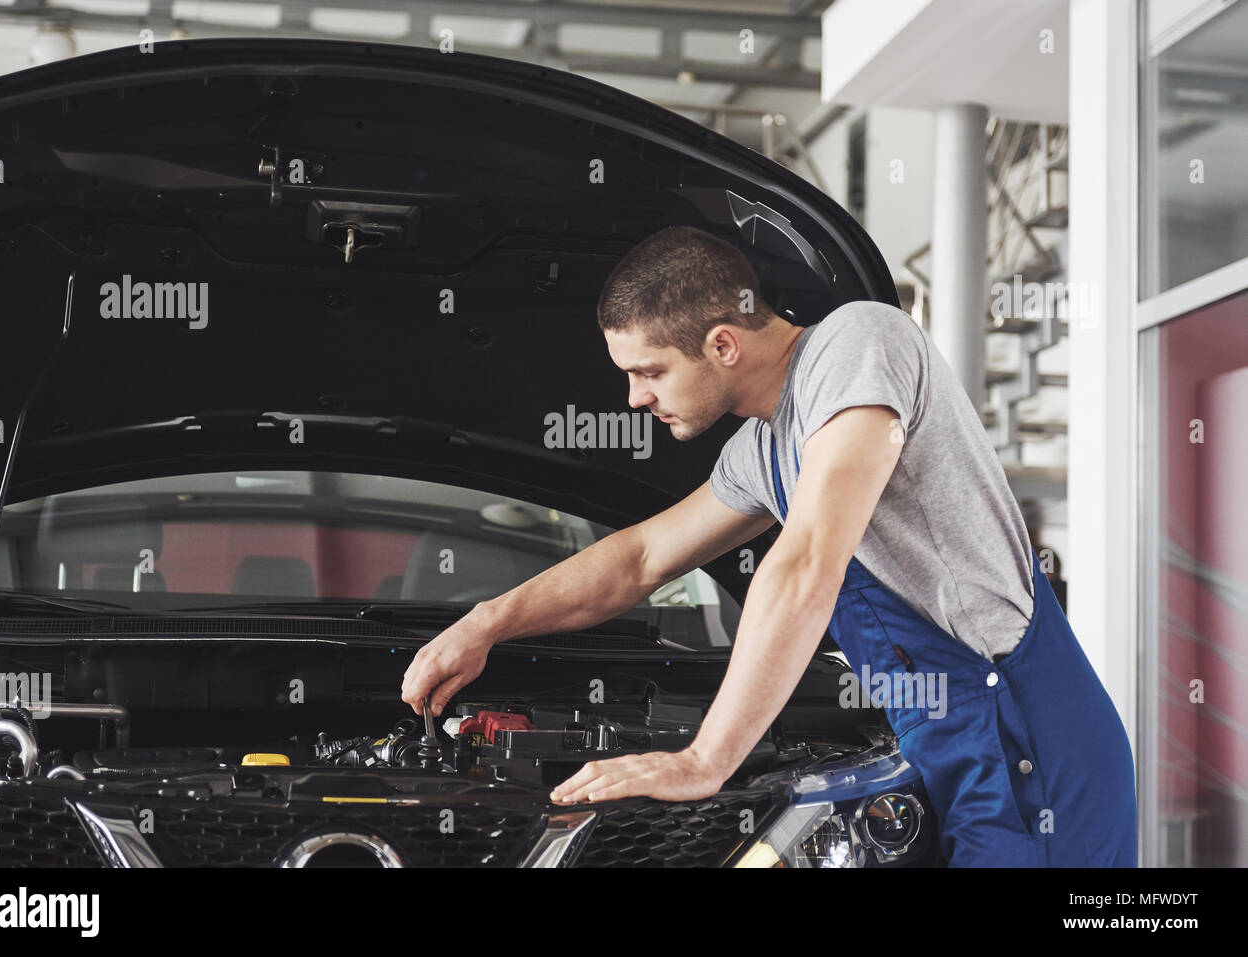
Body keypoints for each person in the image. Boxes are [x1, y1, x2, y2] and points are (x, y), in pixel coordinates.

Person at [401, 225, 1137, 866]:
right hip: (948, 746)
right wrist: (486, 622)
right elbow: (638, 561)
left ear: (723, 344)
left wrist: (704, 759)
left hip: (1023, 741)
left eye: (649, 371)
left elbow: (808, 559)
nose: (634, 398)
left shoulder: (858, 343)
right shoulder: (763, 449)